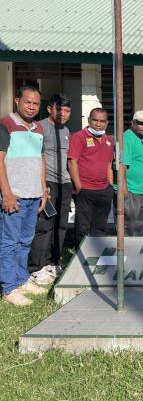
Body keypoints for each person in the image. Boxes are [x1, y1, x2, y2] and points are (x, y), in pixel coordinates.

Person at [0, 86, 48, 306]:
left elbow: (40, 160)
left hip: (34, 195)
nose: (31, 107)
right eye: (27, 102)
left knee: (25, 241)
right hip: (15, 195)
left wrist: (43, 190)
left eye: (36, 103)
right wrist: (7, 194)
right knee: (9, 242)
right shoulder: (5, 124)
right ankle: (9, 288)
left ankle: (21, 280)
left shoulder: (39, 128)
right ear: (17, 101)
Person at [28, 94, 73, 285]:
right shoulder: (39, 128)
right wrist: (41, 186)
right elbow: (35, 157)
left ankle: (52, 262)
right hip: (47, 182)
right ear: (49, 109)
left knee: (61, 225)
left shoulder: (66, 130)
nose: (63, 114)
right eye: (59, 109)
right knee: (44, 226)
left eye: (67, 111)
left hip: (65, 184)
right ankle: (36, 267)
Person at [68, 107, 114, 249]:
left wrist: (110, 186)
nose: (98, 124)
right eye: (95, 120)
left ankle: (96, 254)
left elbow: (109, 165)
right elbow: (72, 162)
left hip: (104, 189)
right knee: (82, 227)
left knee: (100, 226)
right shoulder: (79, 137)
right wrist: (78, 186)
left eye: (102, 121)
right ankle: (81, 256)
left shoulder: (109, 140)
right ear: (89, 120)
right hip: (85, 189)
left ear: (107, 123)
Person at [122, 110, 143, 236]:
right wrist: (124, 187)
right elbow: (122, 164)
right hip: (131, 189)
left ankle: (134, 249)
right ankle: (126, 249)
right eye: (141, 123)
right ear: (133, 123)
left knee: (138, 228)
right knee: (128, 228)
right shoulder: (127, 137)